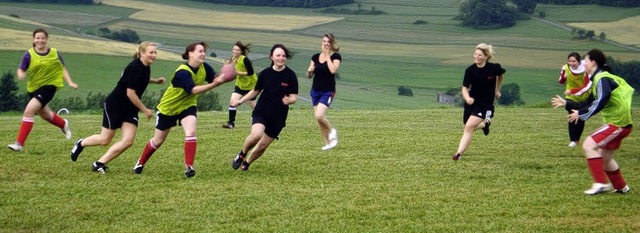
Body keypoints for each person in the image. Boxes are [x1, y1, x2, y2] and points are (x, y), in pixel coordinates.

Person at [131, 41, 226, 178]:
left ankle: (189, 167)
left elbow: (216, 78)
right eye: (200, 51)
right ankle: (140, 162)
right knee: (158, 141)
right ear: (190, 54)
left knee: (191, 131)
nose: (203, 54)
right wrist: (215, 84)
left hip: (187, 106)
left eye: (204, 51)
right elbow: (193, 90)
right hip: (168, 108)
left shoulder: (204, 67)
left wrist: (225, 73)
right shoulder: (182, 72)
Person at [69, 41, 166, 173]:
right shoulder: (134, 67)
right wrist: (145, 110)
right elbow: (130, 93)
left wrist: (156, 81)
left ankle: (99, 164)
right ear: (141, 53)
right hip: (115, 106)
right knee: (105, 140)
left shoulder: (145, 66)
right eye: (151, 52)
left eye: (155, 52)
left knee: (128, 141)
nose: (154, 55)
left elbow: (143, 78)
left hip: (130, 109)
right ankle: (81, 143)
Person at [552, 48, 633, 195]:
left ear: (593, 62)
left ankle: (600, 183)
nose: (584, 64)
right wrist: (567, 104)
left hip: (617, 123)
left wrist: (583, 114)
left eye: (586, 61)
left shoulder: (601, 78)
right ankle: (621, 187)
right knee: (605, 158)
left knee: (589, 145)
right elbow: (588, 102)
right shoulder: (597, 79)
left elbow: (602, 99)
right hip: (620, 123)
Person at [8, 28, 79, 152]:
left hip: (50, 86)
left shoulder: (54, 53)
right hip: (34, 88)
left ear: (46, 39)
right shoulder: (28, 54)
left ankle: (19, 144)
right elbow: (21, 68)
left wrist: (70, 82)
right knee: (45, 115)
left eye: (43, 38)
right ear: (33, 40)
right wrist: (21, 74)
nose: (40, 40)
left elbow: (62, 69)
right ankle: (63, 124)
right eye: (37, 38)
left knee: (29, 111)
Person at [230, 44, 298, 171]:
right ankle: (242, 154)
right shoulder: (265, 74)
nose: (281, 58)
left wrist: (289, 100)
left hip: (278, 117)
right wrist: (241, 101)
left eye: (283, 56)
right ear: (272, 57)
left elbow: (294, 97)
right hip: (262, 111)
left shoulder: (290, 75)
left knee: (262, 146)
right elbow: (255, 91)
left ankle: (247, 163)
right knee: (256, 135)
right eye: (278, 55)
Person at [452, 43, 505, 161]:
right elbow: (464, 87)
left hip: (485, 104)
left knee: (469, 127)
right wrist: (467, 98)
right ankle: (485, 124)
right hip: (472, 102)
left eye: (480, 55)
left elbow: (500, 75)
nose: (476, 57)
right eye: (475, 54)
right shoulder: (470, 70)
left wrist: (497, 89)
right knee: (467, 126)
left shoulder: (493, 68)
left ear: (486, 57)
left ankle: (458, 154)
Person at [306, 33, 342, 151]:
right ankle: (327, 143)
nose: (326, 44)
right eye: (324, 41)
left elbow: (332, 70)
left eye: (328, 42)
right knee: (318, 119)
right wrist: (310, 71)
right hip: (315, 91)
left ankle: (332, 131)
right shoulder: (315, 57)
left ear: (332, 44)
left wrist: (327, 56)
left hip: (328, 91)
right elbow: (309, 75)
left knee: (319, 115)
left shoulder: (336, 56)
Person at [221, 41, 258, 129]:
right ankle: (231, 124)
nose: (235, 51)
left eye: (238, 50)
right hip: (240, 85)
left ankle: (261, 120)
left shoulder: (244, 59)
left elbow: (251, 72)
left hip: (250, 85)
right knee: (233, 101)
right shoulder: (233, 58)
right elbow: (231, 69)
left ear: (241, 51)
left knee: (253, 105)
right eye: (234, 49)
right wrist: (226, 67)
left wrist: (238, 73)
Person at [558, 52, 591, 147]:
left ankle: (577, 140)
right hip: (570, 97)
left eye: (574, 61)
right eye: (569, 61)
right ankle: (573, 140)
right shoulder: (565, 68)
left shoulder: (585, 70)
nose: (571, 63)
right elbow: (561, 81)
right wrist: (563, 75)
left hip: (582, 96)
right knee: (572, 115)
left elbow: (586, 85)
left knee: (580, 117)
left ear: (579, 62)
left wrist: (573, 91)